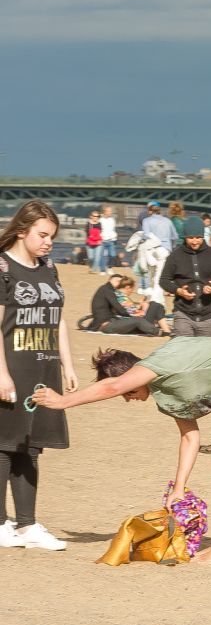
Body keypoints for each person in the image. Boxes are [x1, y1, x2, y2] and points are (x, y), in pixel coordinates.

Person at [33, 338, 211, 564]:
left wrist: (62, 402)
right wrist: (179, 488)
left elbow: (112, 386)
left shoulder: (159, 363)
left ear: (131, 376)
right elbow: (190, 438)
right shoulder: (166, 392)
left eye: (128, 391)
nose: (127, 398)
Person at [0, 202, 77, 551]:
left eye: (52, 237)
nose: (49, 242)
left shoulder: (49, 268)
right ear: (22, 230)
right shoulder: (3, 268)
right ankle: (1, 523)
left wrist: (68, 364)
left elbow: (58, 318)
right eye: (43, 235)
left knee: (31, 446)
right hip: (12, 367)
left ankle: (27, 525)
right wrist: (2, 375)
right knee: (4, 445)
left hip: (44, 368)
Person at [159, 218, 211, 337]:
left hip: (208, 315)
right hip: (183, 313)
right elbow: (164, 280)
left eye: (198, 237)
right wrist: (179, 291)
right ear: (184, 237)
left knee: (205, 354)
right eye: (190, 237)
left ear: (203, 236)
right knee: (183, 351)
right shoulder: (175, 256)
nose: (194, 241)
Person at [85, 274, 166, 335]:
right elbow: (120, 310)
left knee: (153, 305)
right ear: (114, 280)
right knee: (141, 318)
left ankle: (165, 329)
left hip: (108, 323)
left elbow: (117, 309)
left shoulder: (106, 289)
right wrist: (134, 315)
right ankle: (160, 332)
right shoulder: (107, 290)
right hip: (107, 326)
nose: (120, 284)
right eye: (119, 282)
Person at [97, 205, 119, 269]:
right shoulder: (100, 220)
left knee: (113, 255)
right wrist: (99, 239)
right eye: (109, 211)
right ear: (105, 212)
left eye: (111, 211)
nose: (110, 212)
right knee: (102, 256)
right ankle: (102, 270)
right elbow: (98, 230)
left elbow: (113, 229)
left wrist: (115, 236)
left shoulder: (112, 220)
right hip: (103, 240)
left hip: (111, 240)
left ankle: (109, 268)